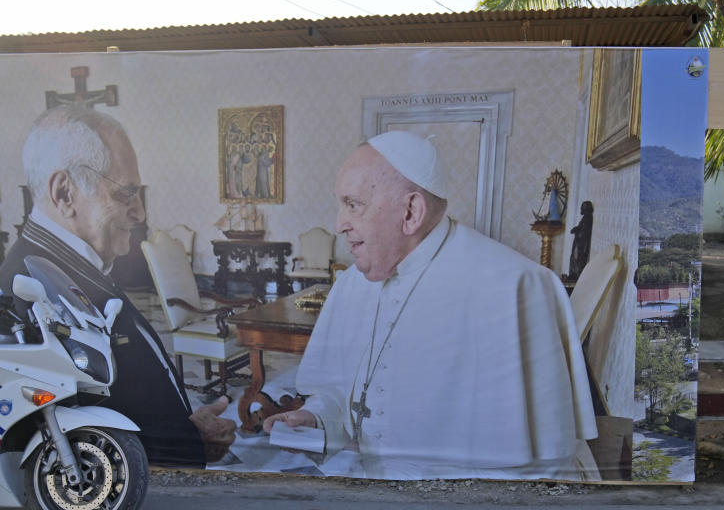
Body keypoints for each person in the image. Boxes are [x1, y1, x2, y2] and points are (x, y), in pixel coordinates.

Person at [264, 131, 597, 480]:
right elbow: (342, 391)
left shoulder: (512, 287)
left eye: (353, 204)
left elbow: (535, 468)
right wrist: (316, 418)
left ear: (411, 211)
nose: (338, 224)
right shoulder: (351, 285)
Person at [0, 105, 236, 467]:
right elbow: (66, 438)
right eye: (126, 194)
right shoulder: (29, 287)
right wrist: (188, 441)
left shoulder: (63, 263)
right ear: (64, 193)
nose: (139, 213)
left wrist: (184, 428)